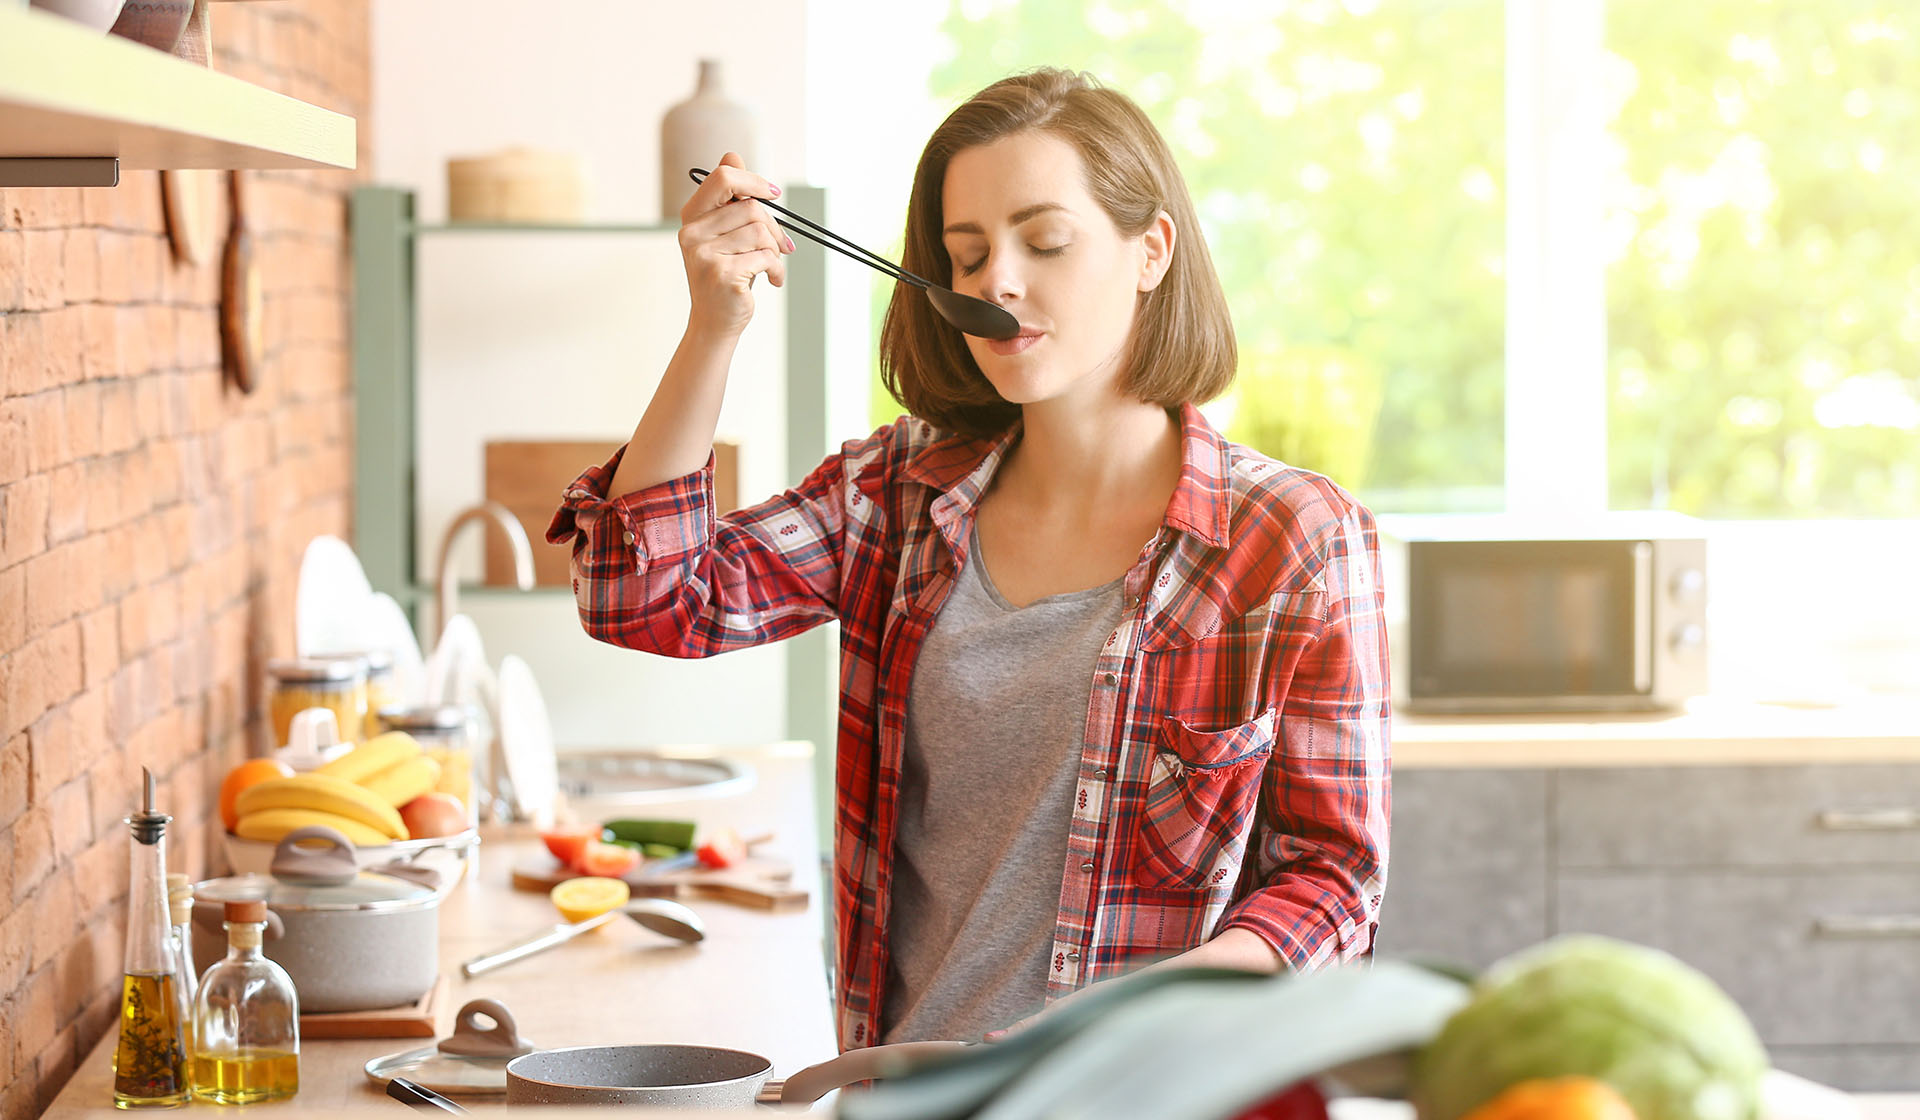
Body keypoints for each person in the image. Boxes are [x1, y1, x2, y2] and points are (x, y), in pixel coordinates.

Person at [548, 68, 1389, 1051]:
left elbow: (1334, 879)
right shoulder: (897, 494)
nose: (998, 280)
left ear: (1151, 249)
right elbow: (644, 601)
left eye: (1046, 241)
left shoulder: (1293, 538)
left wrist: (1159, 1005)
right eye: (968, 253)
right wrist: (714, 327)